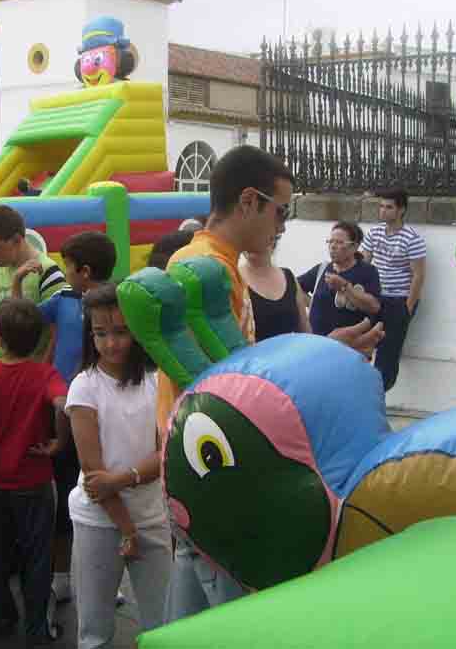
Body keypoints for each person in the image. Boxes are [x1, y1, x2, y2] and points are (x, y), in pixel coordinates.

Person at [156, 145, 384, 624]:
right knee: (240, 620)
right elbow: (232, 390)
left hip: (197, 464)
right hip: (218, 469)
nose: (282, 224)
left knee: (192, 613)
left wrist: (325, 346)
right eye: (281, 210)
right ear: (248, 202)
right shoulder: (211, 271)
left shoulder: (201, 259)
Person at [12, 230, 116, 606]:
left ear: (84, 271)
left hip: (101, 407)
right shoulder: (65, 300)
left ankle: (106, 576)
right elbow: (20, 320)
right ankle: (62, 575)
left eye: (69, 267)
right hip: (67, 408)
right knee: (68, 492)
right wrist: (17, 283)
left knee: (100, 486)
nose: (66, 273)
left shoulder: (115, 304)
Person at [0, 298, 70, 644]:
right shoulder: (45, 374)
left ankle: (1, 619)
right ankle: (37, 628)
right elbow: (62, 403)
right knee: (37, 559)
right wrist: (58, 441)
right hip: (35, 481)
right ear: (38, 338)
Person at [66, 283, 169, 648]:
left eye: (121, 332)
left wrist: (123, 478)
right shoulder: (84, 387)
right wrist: (127, 529)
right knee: (94, 629)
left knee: (164, 624)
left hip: (152, 516)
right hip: (99, 520)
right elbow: (95, 478)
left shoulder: (157, 381)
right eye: (100, 333)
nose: (111, 343)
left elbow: (165, 453)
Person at [0, 205, 66, 376]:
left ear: (16, 239)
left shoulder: (48, 273)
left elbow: (57, 334)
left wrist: (41, 376)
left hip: (27, 375)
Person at [360, 188, 427, 391]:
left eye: (389, 207)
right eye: (381, 206)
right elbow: (364, 263)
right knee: (363, 344)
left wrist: (407, 308)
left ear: (401, 210)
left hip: (399, 300)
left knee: (388, 353)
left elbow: (419, 275)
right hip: (375, 299)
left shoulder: (412, 239)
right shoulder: (374, 232)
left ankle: (380, 394)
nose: (383, 211)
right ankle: (362, 390)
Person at [298, 222, 381, 337]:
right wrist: (312, 302)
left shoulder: (367, 272)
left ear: (354, 247)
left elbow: (374, 307)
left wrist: (344, 287)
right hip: (317, 342)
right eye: (331, 241)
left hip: (351, 344)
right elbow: (295, 286)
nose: (333, 246)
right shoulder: (322, 269)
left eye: (339, 242)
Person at [241, 238, 310, 341]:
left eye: (256, 235)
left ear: (273, 240)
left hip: (292, 354)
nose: (250, 244)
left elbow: (305, 330)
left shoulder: (288, 276)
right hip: (255, 355)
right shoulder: (235, 278)